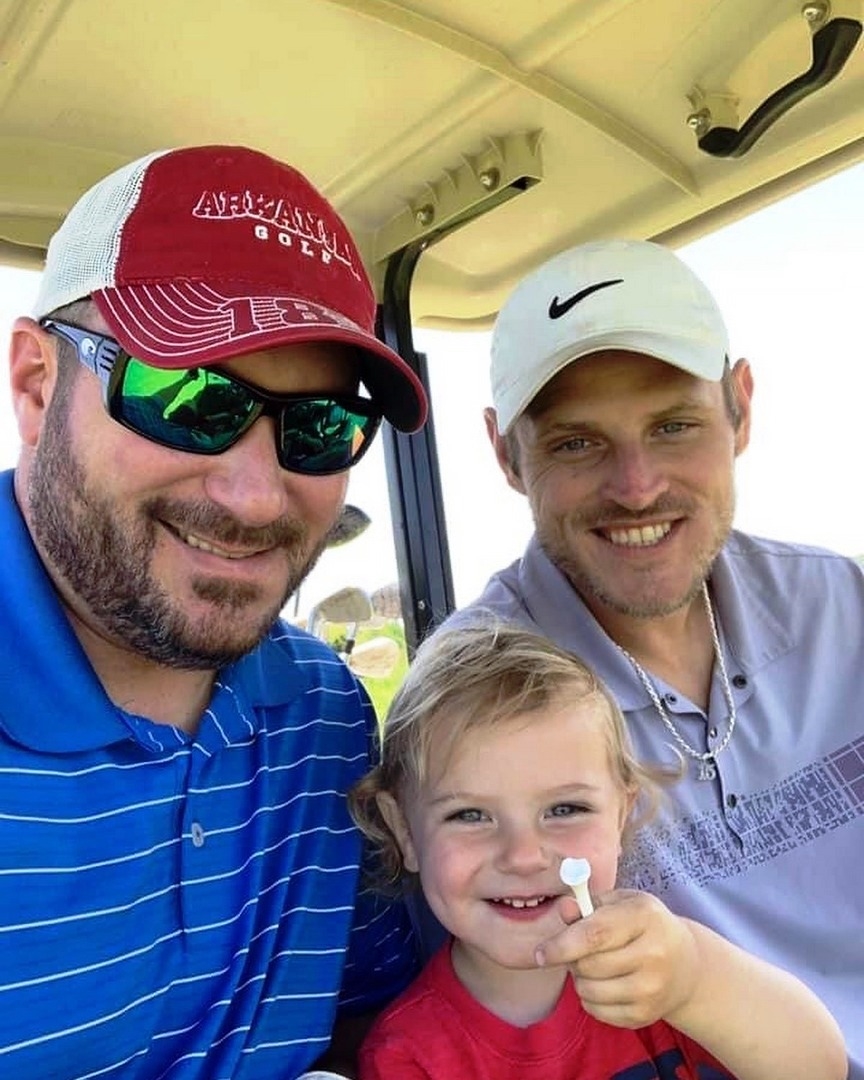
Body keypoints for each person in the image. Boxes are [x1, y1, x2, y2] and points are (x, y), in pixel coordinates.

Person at [0, 145, 429, 1079]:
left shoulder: (325, 714)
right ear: (36, 385)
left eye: (320, 426)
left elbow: (375, 1018)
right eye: (188, 397)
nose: (255, 497)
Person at [441, 237, 864, 1075]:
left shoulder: (843, 603)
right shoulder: (472, 698)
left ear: (741, 408)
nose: (636, 486)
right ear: (506, 454)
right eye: (576, 443)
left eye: (674, 426)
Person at [349, 624, 847, 1080]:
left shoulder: (661, 969)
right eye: (470, 815)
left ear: (621, 816)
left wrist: (693, 980)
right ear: (405, 831)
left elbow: (818, 1069)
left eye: (565, 809)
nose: (523, 856)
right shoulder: (405, 1056)